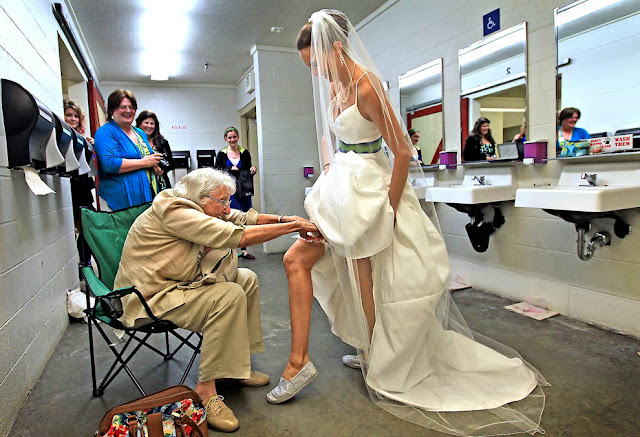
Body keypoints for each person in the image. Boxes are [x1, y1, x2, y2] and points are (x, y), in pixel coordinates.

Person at [266, 10, 546, 437]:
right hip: (342, 189)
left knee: (372, 278)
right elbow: (332, 135)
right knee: (355, 273)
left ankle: (372, 352)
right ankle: (367, 348)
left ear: (336, 49)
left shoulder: (366, 87)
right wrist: (330, 164)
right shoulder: (339, 86)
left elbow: (400, 150)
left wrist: (391, 209)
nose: (318, 75)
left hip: (371, 194)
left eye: (318, 65)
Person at [114, 168, 321, 432]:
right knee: (228, 294)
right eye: (222, 201)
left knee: (245, 278)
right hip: (149, 297)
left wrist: (285, 217)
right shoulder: (174, 211)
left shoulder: (199, 205)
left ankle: (233, 369)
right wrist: (293, 227)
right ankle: (206, 392)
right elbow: (235, 235)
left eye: (228, 200)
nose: (227, 207)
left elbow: (242, 217)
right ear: (200, 198)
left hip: (178, 285)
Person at [93, 89, 164, 211]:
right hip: (118, 202)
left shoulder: (140, 133)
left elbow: (149, 157)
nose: (128, 111)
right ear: (112, 110)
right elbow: (109, 164)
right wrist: (144, 163)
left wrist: (155, 168)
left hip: (144, 198)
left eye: (132, 107)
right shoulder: (106, 132)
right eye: (123, 107)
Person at [215, 127, 257, 259]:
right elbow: (217, 172)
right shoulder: (221, 154)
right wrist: (229, 169)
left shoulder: (245, 153)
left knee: (243, 217)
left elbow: (247, 169)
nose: (232, 140)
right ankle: (229, 250)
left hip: (243, 190)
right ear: (226, 139)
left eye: (234, 137)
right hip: (228, 191)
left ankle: (244, 249)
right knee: (229, 217)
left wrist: (253, 169)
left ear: (238, 137)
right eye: (229, 138)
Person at [63, 100, 96, 224]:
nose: (73, 119)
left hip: (83, 185)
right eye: (69, 115)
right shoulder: (61, 136)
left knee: (87, 219)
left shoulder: (82, 139)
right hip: (69, 184)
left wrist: (91, 147)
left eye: (76, 116)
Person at [135, 110, 174, 190]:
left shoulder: (162, 142)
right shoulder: (134, 142)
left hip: (162, 185)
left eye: (152, 123)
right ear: (139, 124)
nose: (149, 126)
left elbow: (171, 164)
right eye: (146, 123)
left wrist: (162, 171)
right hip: (142, 185)